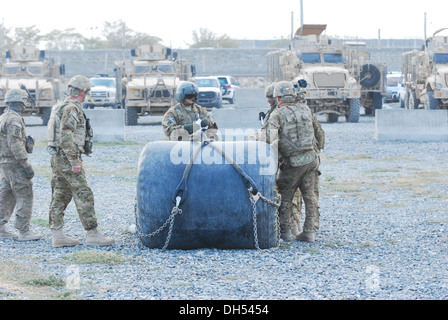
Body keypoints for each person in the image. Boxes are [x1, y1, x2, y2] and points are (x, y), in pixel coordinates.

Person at [46, 75, 114, 247]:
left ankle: (57, 234)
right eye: (86, 92)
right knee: (84, 193)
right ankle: (93, 233)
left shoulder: (60, 105)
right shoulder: (71, 108)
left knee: (61, 194)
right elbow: (66, 135)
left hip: (58, 157)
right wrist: (75, 161)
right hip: (68, 157)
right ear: (82, 92)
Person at [257, 81, 322, 242]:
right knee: (310, 196)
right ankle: (309, 233)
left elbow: (267, 137)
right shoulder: (305, 109)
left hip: (293, 163)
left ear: (278, 97)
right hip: (311, 160)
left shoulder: (278, 114)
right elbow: (318, 132)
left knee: (284, 196)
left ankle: (285, 233)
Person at [0, 88, 43, 241]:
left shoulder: (4, 116)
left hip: (5, 163)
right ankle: (24, 231)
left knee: (7, 194)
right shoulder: (14, 120)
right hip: (15, 164)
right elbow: (16, 145)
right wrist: (26, 165)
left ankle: (1, 227)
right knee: (25, 194)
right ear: (21, 102)